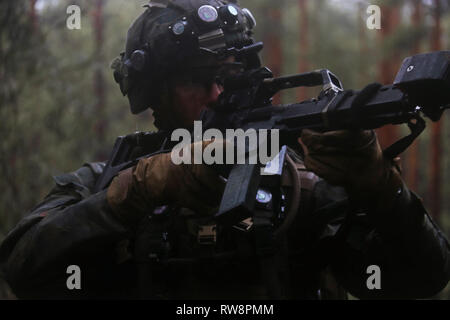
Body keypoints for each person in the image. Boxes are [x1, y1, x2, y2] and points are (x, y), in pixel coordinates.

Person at [0, 0, 449, 300]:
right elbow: (22, 269)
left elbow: (424, 277)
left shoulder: (301, 184)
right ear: (156, 94)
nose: (218, 93)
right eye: (198, 80)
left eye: (230, 76)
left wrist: (381, 191)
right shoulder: (110, 182)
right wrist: (134, 194)